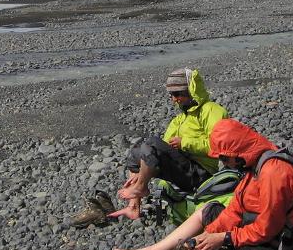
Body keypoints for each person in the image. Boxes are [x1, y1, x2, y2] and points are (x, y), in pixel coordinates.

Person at [111, 117, 293, 250]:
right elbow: (235, 209)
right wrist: (207, 235)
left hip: (279, 249)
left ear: (238, 153)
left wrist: (223, 237)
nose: (223, 163)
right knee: (209, 210)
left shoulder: (274, 173)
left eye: (224, 158)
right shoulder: (254, 164)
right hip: (256, 231)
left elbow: (266, 230)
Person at [69, 68, 228, 227]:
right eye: (171, 95)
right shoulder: (179, 120)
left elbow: (221, 147)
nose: (174, 99)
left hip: (202, 174)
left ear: (191, 90)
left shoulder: (212, 111)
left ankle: (141, 188)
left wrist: (184, 143)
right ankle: (134, 206)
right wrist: (144, 168)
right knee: (136, 153)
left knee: (152, 143)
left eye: (178, 94)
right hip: (183, 171)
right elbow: (158, 152)